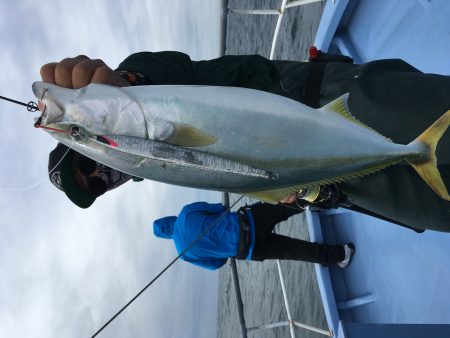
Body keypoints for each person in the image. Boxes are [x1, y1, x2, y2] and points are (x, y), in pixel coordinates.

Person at [43, 52, 450, 232]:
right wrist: (293, 195)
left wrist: (130, 84)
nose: (99, 172)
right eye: (95, 183)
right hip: (350, 179)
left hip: (327, 107)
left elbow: (162, 70)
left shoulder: (138, 96)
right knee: (440, 212)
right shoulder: (157, 168)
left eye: (84, 160)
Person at [152, 201, 355, 270]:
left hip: (249, 249)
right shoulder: (186, 212)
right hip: (250, 220)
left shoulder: (184, 253)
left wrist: (223, 247)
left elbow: (215, 265)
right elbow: (220, 208)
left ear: (165, 237)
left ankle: (341, 254)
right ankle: (328, 193)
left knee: (294, 251)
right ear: (168, 218)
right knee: (289, 205)